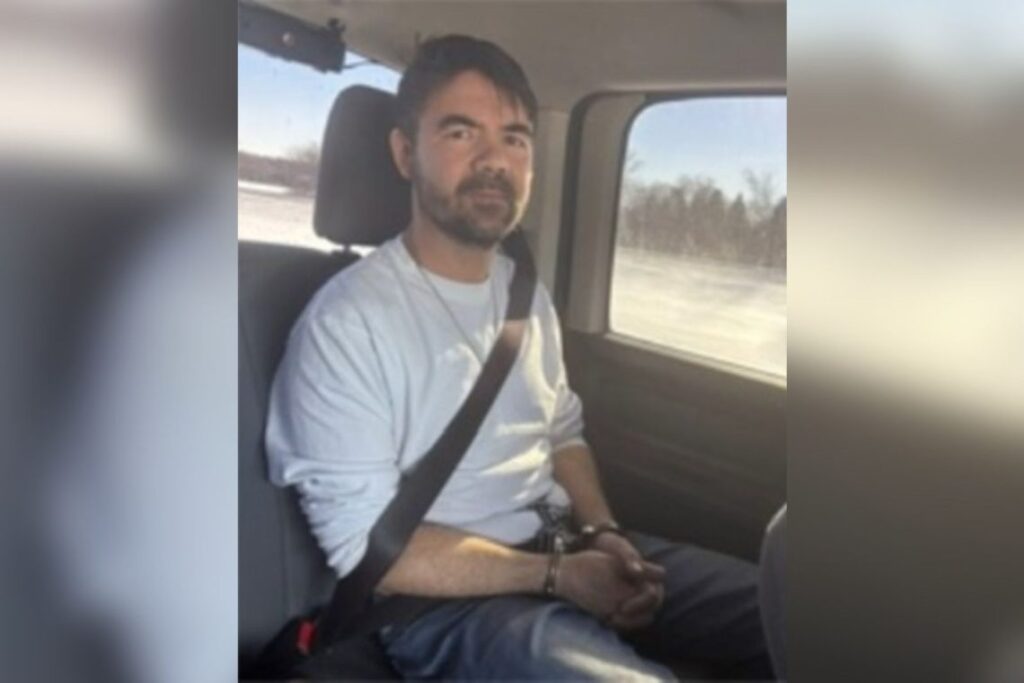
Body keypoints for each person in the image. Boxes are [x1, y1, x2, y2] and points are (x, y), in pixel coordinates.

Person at [266, 34, 774, 680]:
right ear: (404, 153)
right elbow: (369, 550)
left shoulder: (525, 296)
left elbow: (562, 432)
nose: (494, 161)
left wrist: (605, 534)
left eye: (515, 139)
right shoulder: (346, 325)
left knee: (799, 606)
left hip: (564, 549)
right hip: (446, 607)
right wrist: (558, 576)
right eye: (461, 133)